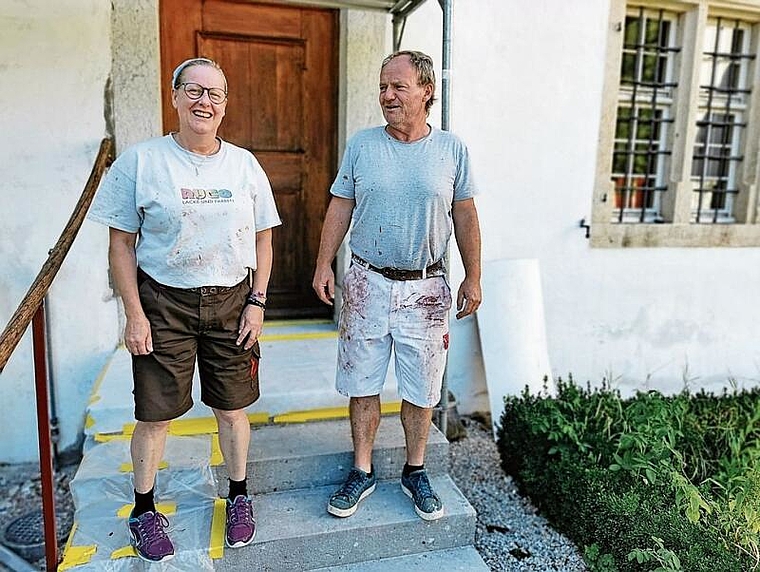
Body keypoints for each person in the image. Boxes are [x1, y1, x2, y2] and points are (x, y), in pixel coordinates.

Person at [88, 57, 281, 562]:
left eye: (215, 94)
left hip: (233, 303)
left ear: (225, 105)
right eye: (194, 91)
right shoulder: (141, 161)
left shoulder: (244, 165)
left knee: (233, 408)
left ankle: (239, 495)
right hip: (163, 304)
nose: (205, 102)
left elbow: (263, 241)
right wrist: (133, 314)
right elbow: (121, 245)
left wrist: (258, 302)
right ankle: (144, 509)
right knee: (154, 415)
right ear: (174, 97)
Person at [312, 50, 481, 521]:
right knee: (361, 382)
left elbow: (465, 214)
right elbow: (340, 206)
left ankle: (415, 469)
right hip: (366, 281)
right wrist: (324, 264)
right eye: (383, 86)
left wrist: (475, 275)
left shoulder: (451, 150)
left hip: (426, 288)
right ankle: (362, 470)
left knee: (422, 388)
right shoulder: (363, 146)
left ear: (426, 91)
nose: (387, 95)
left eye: (398, 87)